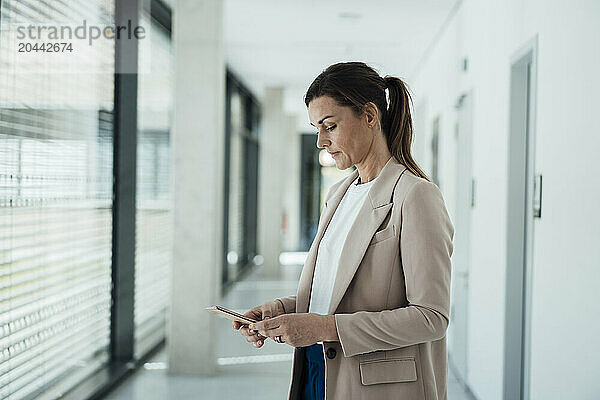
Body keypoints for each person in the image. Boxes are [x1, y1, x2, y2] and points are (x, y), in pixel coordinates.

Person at [232, 61, 454, 400]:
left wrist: (324, 327)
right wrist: (282, 309)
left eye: (330, 126)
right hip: (316, 370)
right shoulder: (339, 194)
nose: (321, 140)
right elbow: (335, 292)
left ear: (369, 115)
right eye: (316, 128)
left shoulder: (415, 195)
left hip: (376, 386)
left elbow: (430, 317)